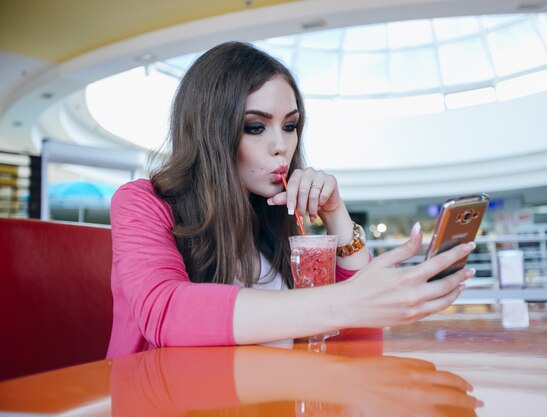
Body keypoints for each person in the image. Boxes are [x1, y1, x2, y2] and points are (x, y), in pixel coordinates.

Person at [106, 41, 476, 358]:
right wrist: (345, 301)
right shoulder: (141, 202)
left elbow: (362, 340)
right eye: (255, 127)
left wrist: (336, 214)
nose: (281, 146)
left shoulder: (279, 216)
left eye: (290, 126)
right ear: (210, 133)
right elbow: (167, 312)